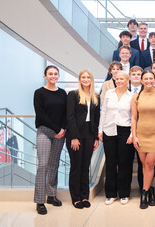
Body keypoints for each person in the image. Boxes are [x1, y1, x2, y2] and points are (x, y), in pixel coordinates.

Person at [33, 65, 67, 215]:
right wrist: (56, 129)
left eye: (55, 74)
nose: (53, 76)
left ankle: (51, 195)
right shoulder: (39, 93)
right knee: (43, 165)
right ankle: (40, 201)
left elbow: (66, 113)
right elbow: (40, 115)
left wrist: (63, 129)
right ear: (45, 76)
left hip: (60, 133)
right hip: (45, 131)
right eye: (50, 74)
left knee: (54, 164)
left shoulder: (62, 93)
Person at [131, 70, 155, 209]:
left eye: (151, 78)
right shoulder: (135, 97)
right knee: (145, 165)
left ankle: (144, 193)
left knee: (150, 164)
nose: (148, 81)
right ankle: (151, 190)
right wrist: (134, 136)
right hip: (140, 135)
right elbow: (134, 118)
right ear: (141, 80)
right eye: (146, 78)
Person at [99, 71, 135, 205]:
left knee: (125, 163)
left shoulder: (132, 96)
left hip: (125, 131)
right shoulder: (109, 94)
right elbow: (103, 112)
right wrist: (100, 130)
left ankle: (124, 193)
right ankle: (111, 194)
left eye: (122, 79)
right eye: (117, 79)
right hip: (109, 130)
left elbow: (133, 117)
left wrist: (132, 134)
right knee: (111, 163)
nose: (119, 81)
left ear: (127, 80)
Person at [66, 70, 100, 209]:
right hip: (76, 134)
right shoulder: (73, 95)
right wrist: (74, 137)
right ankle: (76, 198)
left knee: (85, 167)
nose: (86, 79)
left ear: (91, 80)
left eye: (88, 77)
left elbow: (96, 118)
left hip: (90, 134)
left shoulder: (95, 96)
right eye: (83, 77)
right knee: (76, 167)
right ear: (80, 80)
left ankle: (85, 196)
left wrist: (96, 137)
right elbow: (70, 116)